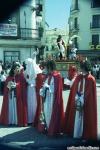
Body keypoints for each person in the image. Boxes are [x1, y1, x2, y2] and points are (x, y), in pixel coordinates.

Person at [64, 60, 97, 140]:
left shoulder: (91, 79)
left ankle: (85, 134)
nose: (79, 68)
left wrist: (81, 99)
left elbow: (89, 93)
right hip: (77, 101)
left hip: (86, 103)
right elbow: (74, 88)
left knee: (84, 119)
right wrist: (76, 97)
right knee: (77, 118)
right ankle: (76, 133)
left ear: (84, 68)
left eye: (81, 67)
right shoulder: (79, 77)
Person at [38, 60, 64, 136]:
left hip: (52, 98)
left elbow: (57, 89)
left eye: (47, 67)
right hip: (47, 98)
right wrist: (42, 89)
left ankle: (51, 128)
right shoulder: (47, 76)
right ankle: (47, 127)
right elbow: (44, 85)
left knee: (51, 112)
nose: (46, 69)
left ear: (51, 67)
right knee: (46, 111)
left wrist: (48, 87)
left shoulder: (57, 76)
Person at [0, 62, 28, 126]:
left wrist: (16, 85)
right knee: (11, 107)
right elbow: (6, 87)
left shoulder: (21, 76)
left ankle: (16, 121)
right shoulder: (9, 77)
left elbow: (23, 85)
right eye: (15, 69)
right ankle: (10, 120)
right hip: (11, 96)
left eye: (18, 69)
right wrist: (9, 86)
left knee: (16, 107)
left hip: (18, 96)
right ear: (13, 69)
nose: (17, 70)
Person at [24, 58, 42, 125]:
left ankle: (34, 118)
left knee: (33, 103)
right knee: (29, 103)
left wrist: (32, 83)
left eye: (28, 64)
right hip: (29, 89)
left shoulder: (37, 71)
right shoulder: (27, 70)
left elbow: (38, 82)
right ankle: (29, 119)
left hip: (34, 91)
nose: (27, 65)